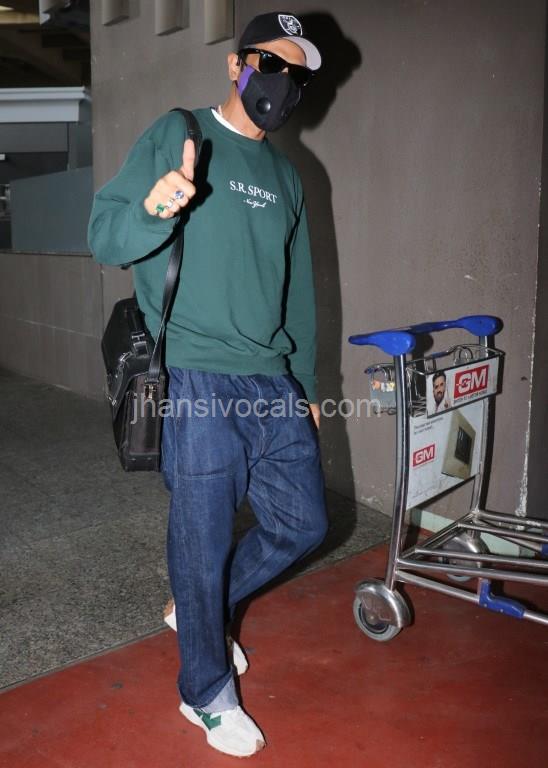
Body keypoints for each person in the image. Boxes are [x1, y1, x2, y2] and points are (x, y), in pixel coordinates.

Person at [88, 11, 328, 758]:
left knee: (304, 523)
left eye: (296, 74)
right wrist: (155, 208)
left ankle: (197, 610)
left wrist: (306, 385)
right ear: (236, 65)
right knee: (203, 536)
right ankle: (206, 690)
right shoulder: (180, 132)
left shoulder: (289, 177)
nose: (282, 83)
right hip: (194, 371)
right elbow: (104, 235)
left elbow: (297, 294)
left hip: (270, 379)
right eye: (270, 64)